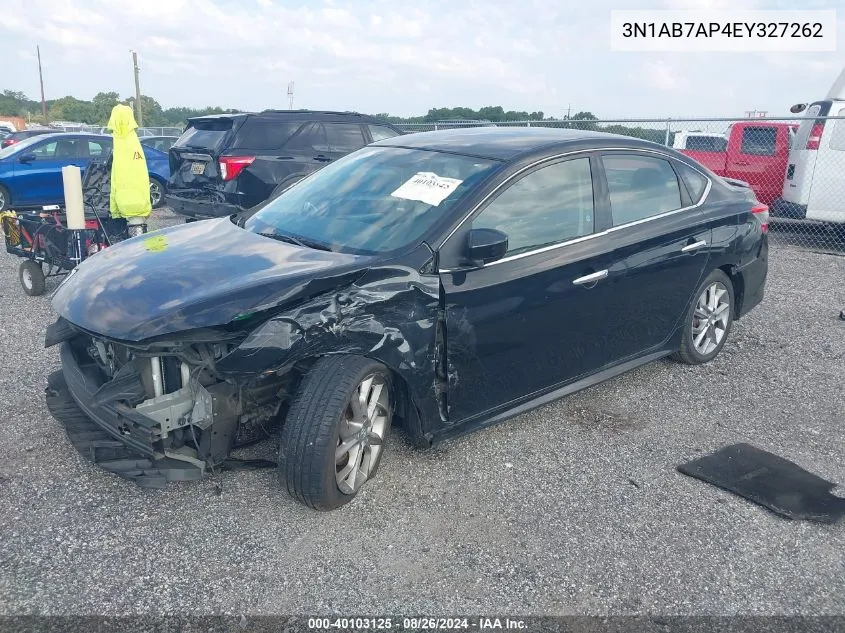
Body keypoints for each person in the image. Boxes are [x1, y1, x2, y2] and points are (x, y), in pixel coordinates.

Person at [106, 104, 151, 237]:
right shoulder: (131, 142)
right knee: (136, 243)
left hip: (128, 203)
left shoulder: (122, 143)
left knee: (133, 245)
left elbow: (117, 176)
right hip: (137, 203)